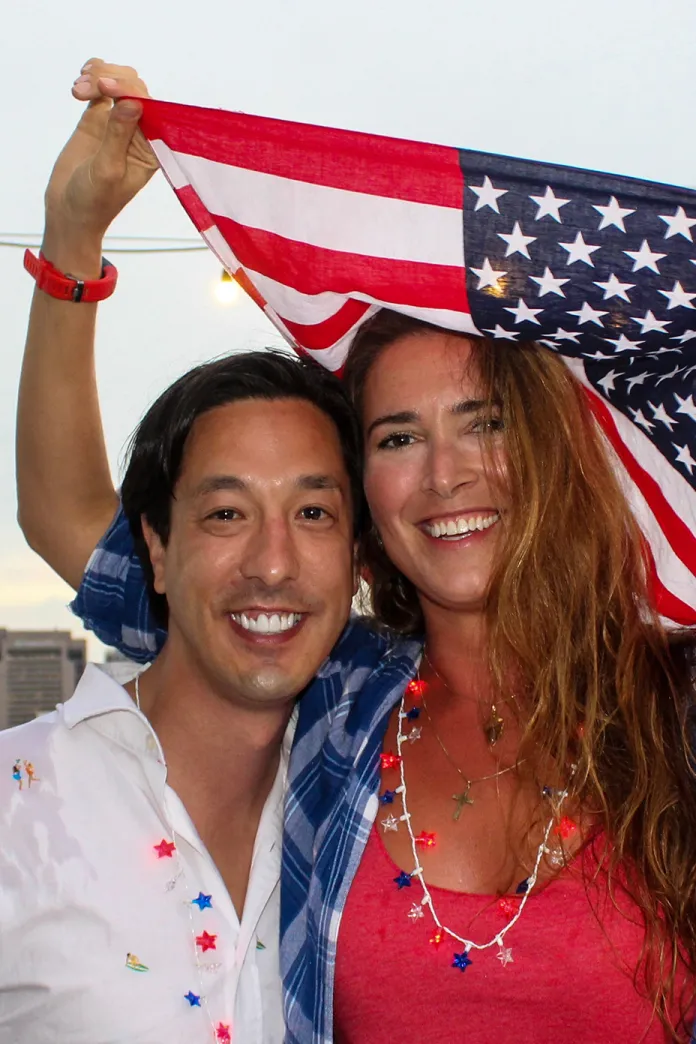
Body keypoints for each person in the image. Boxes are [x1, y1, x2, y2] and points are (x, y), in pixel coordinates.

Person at [17, 62, 696, 1044]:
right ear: (367, 501)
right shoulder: (330, 702)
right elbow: (66, 516)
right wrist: (72, 242)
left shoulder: (672, 704)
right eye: (397, 438)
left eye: (485, 423)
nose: (445, 474)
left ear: (550, 450)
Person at [8, 66, 365, 1035]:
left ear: (362, 561)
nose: (274, 563)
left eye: (317, 514)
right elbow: (60, 509)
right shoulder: (19, 810)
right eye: (224, 515)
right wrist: (72, 239)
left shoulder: (380, 784)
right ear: (153, 553)